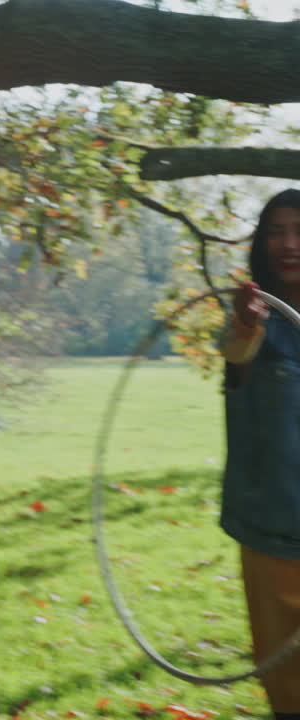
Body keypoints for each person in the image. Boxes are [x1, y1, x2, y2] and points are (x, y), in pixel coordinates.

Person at [221, 188, 300, 719]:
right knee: (289, 688)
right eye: (275, 231)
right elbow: (236, 355)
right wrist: (247, 322)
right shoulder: (255, 320)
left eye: (299, 231)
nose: (288, 244)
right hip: (274, 531)